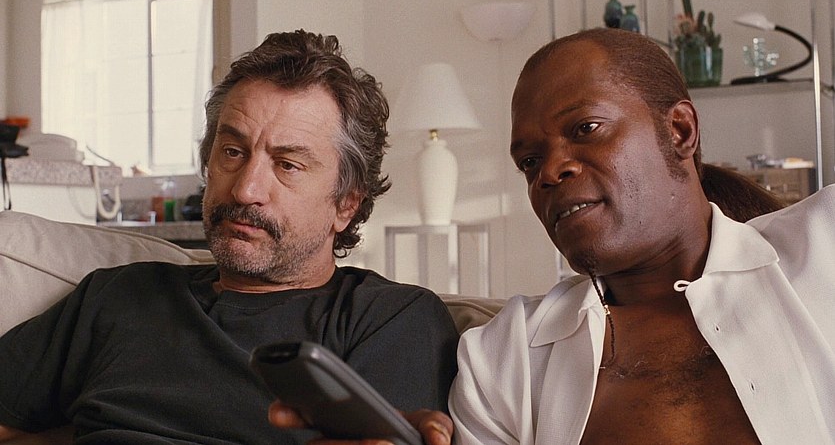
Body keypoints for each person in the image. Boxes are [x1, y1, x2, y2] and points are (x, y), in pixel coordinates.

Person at [271, 27, 835, 444]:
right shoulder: (502, 358)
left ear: (680, 130)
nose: (550, 171)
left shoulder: (822, 248)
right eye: (529, 161)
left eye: (586, 129)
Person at [0, 30, 458, 444]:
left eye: (288, 165)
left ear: (346, 205)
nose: (244, 189)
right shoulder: (116, 295)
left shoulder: (388, 319)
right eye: (233, 152)